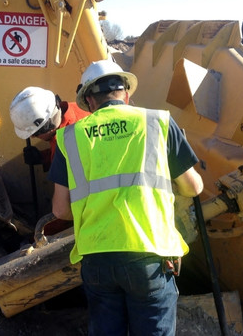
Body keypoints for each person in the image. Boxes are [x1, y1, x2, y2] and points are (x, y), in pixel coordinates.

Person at [48, 60, 204, 336]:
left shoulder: (70, 137)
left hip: (97, 258)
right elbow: (193, 187)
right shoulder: (158, 122)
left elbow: (60, 210)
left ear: (89, 101)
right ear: (127, 95)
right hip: (149, 253)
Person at [10, 86, 90, 171]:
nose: (32, 137)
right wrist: (42, 157)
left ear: (47, 127)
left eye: (34, 133)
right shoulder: (78, 107)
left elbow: (66, 171)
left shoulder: (68, 142)